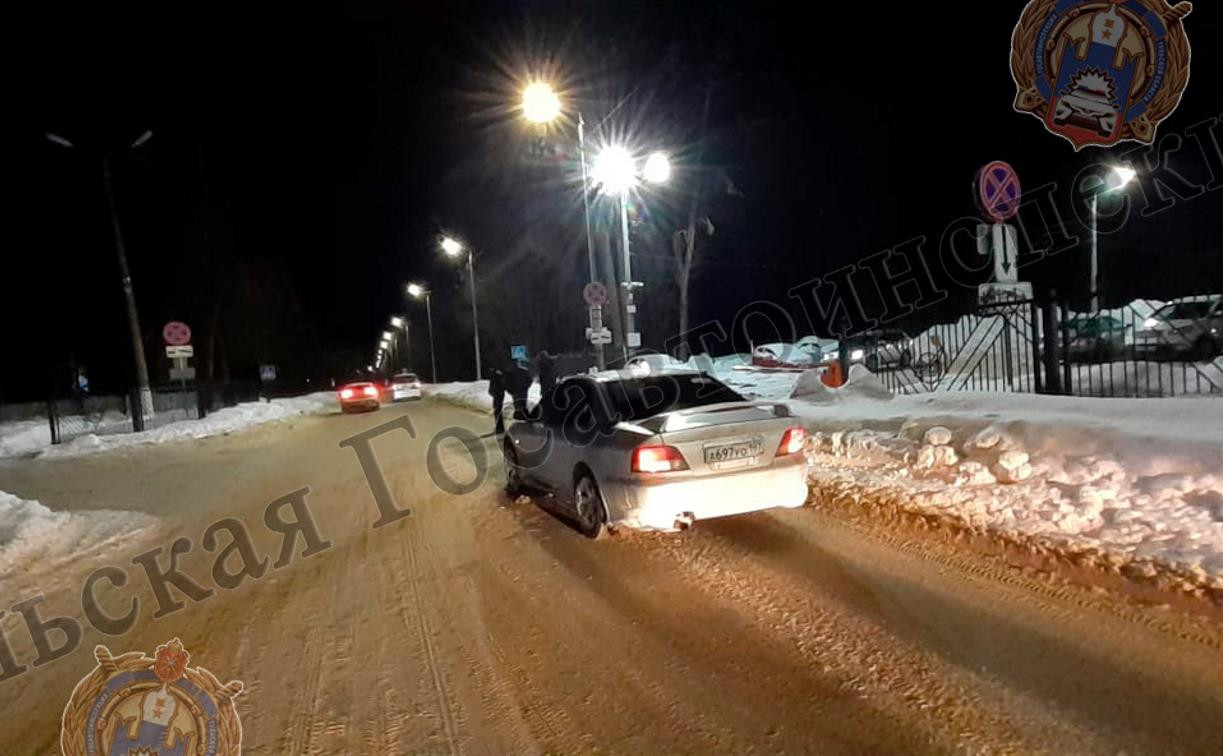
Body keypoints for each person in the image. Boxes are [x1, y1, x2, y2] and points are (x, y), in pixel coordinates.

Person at [488, 367, 507, 435]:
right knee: (497, 410)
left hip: (499, 393)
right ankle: (499, 427)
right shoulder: (494, 372)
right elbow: (492, 383)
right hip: (496, 392)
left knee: (497, 410)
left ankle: (500, 428)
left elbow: (500, 383)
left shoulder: (499, 372)